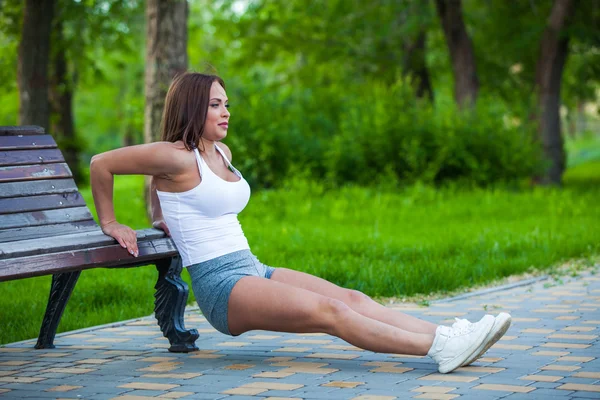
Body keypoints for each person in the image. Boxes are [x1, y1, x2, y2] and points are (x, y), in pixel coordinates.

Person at [90, 72, 511, 374]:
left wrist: (162, 215)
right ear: (192, 107)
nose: (226, 112)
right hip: (221, 287)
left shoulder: (221, 153)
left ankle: (450, 333)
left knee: (352, 297)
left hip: (251, 268)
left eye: (226, 104)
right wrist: (111, 221)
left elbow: (159, 185)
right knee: (330, 312)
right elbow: (102, 163)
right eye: (215, 104)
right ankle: (440, 349)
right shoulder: (174, 155)